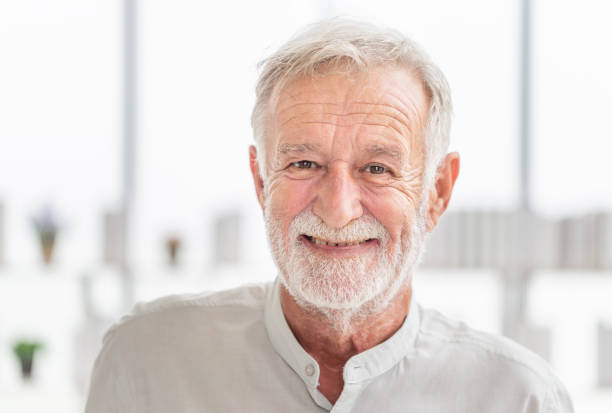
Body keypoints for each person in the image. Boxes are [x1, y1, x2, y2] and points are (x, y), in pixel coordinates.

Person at [85, 18, 573, 412]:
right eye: (303, 163)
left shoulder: (521, 398)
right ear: (260, 181)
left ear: (437, 192)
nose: (338, 209)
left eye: (377, 168)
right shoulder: (145, 363)